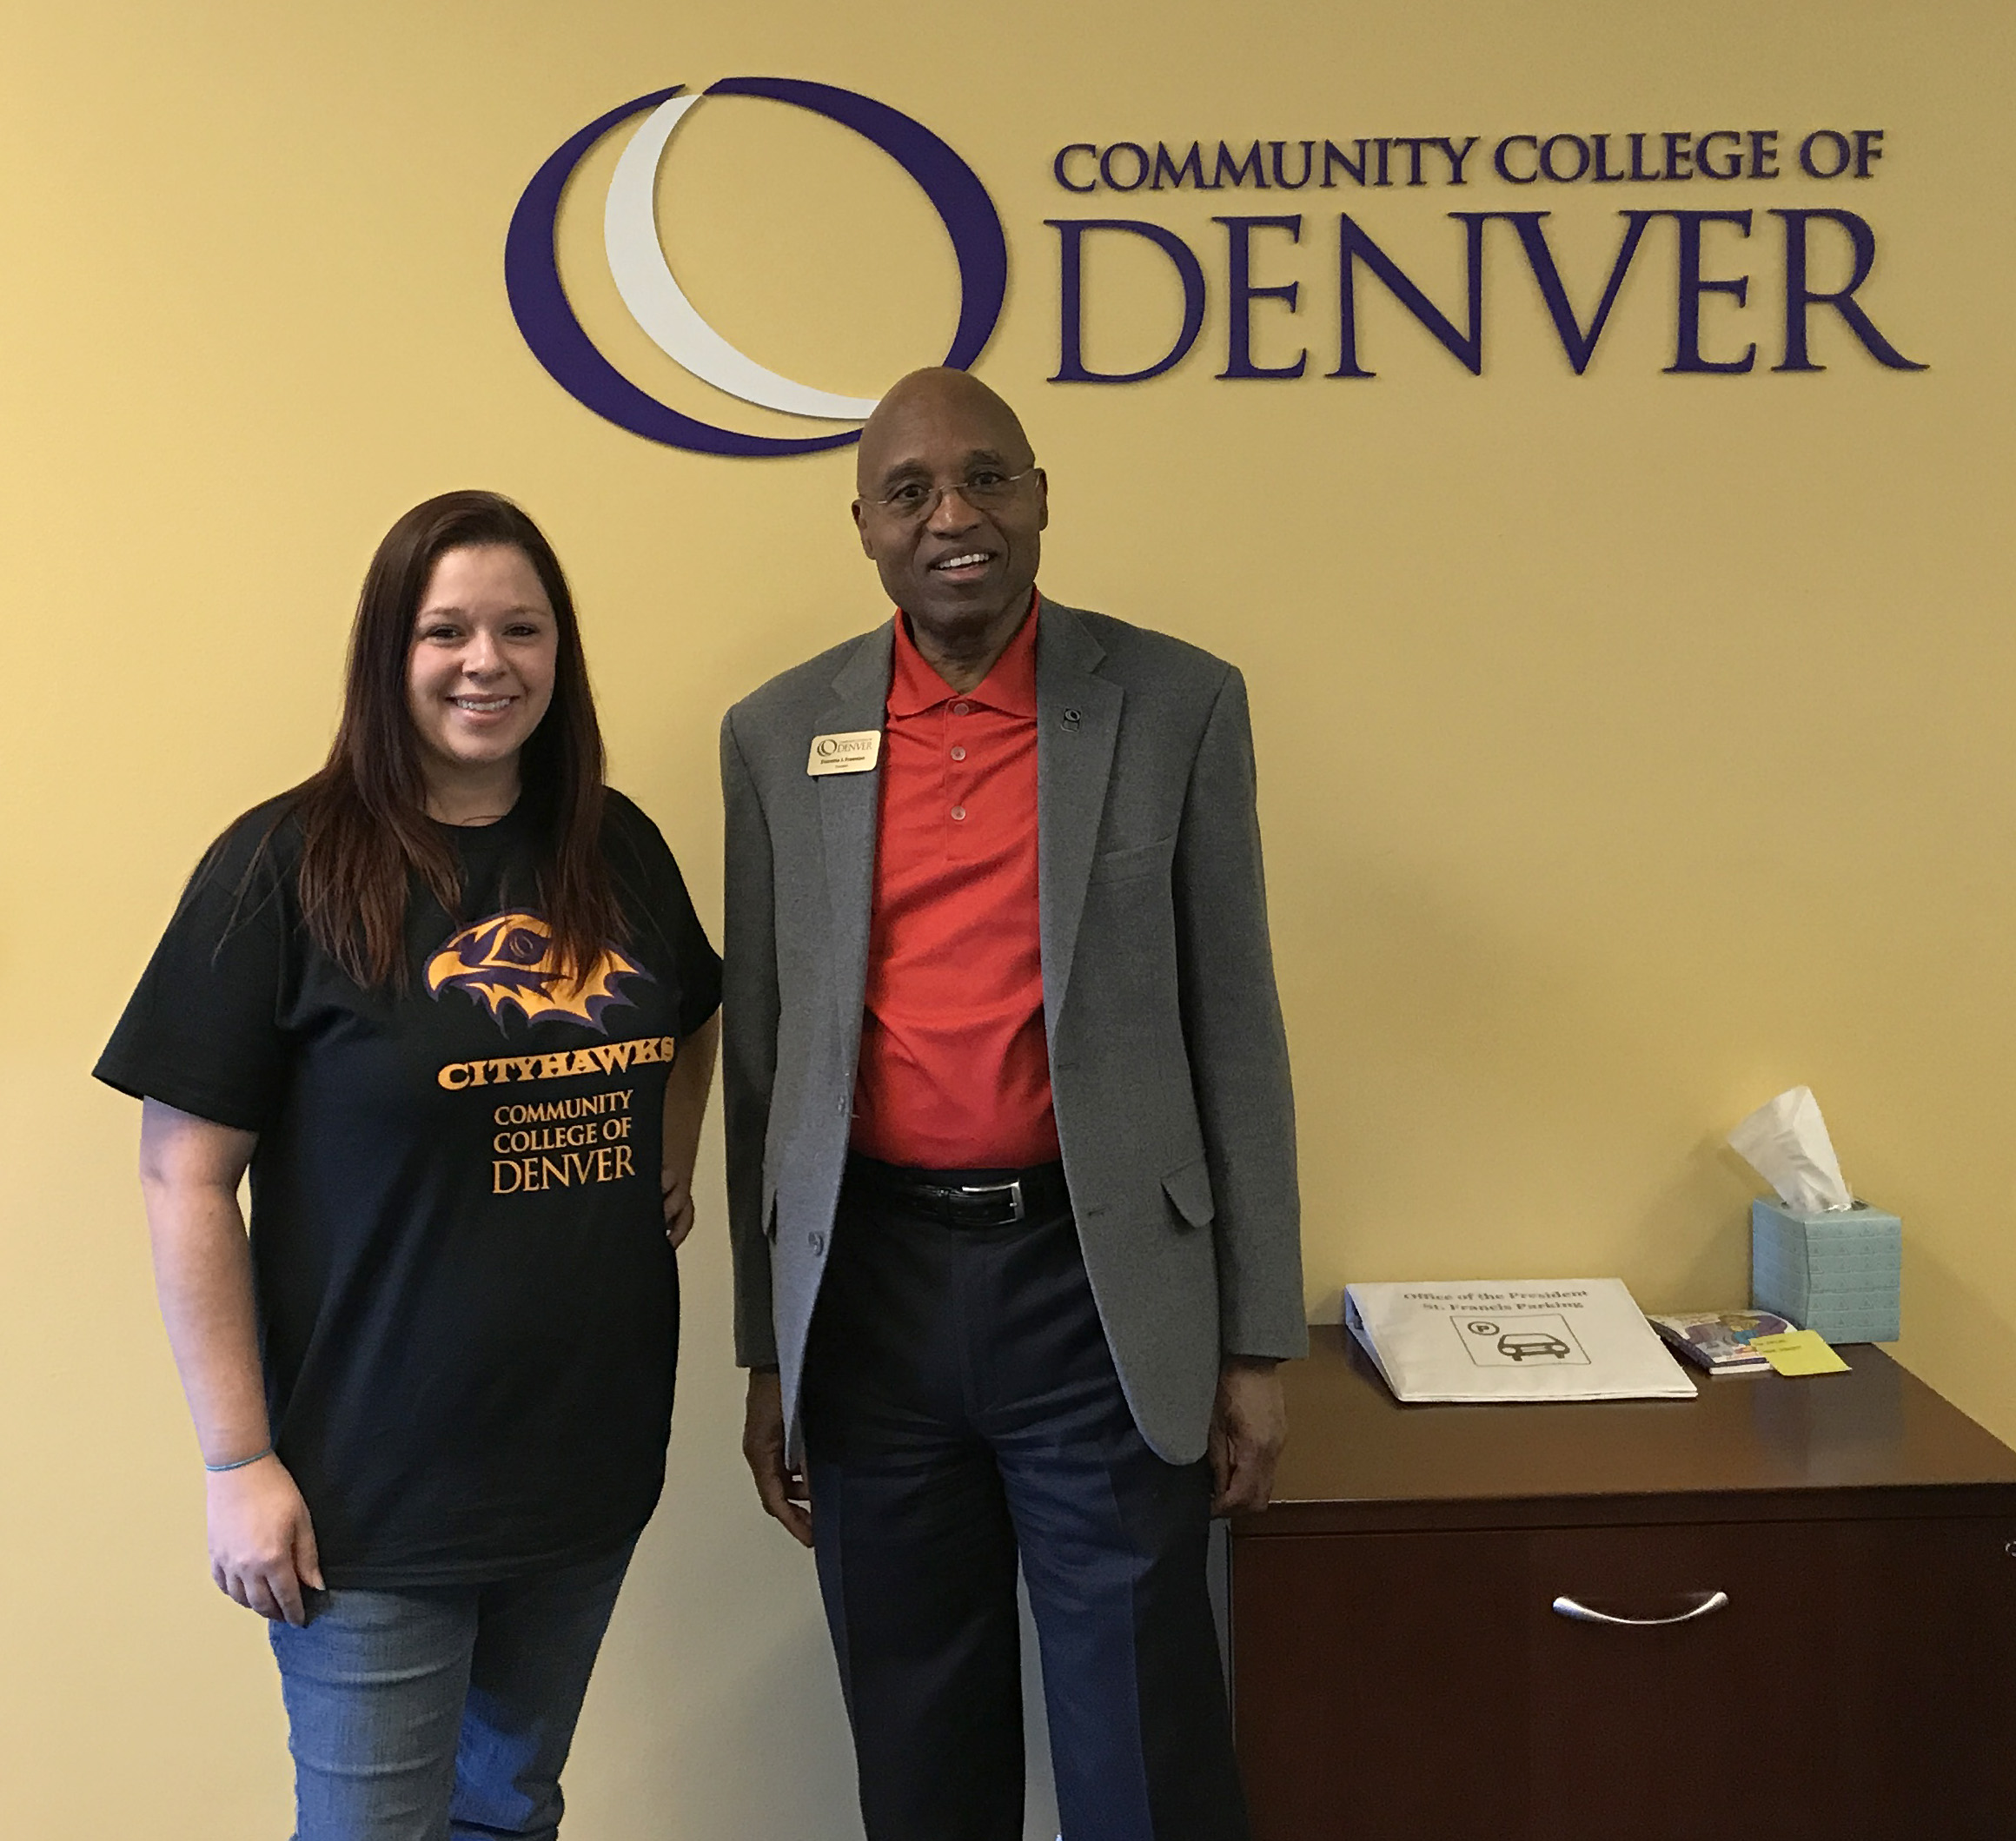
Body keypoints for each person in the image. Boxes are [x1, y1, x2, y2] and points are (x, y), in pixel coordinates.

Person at [720, 368, 1304, 1841]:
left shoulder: (1175, 702)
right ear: (862, 526)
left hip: (1096, 1289)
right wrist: (764, 1346)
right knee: (918, 1743)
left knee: (1143, 1749)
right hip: (871, 1301)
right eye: (911, 491)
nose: (955, 515)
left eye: (988, 478)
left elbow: (1235, 1023)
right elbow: (767, 1060)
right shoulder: (781, 734)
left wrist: (1253, 1337)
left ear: (1043, 496)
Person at [95, 491, 721, 1841]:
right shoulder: (286, 866)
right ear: (389, 653)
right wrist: (236, 1461)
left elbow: (694, 1007)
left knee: (510, 1812)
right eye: (445, 631)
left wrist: (667, 1155)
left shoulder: (617, 847)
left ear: (560, 653)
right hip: (366, 1492)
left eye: (520, 628)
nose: (485, 661)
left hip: (583, 1460)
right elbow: (183, 1179)